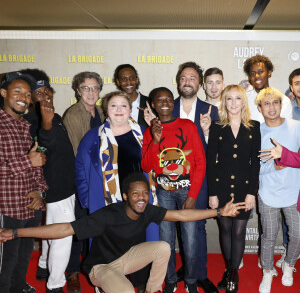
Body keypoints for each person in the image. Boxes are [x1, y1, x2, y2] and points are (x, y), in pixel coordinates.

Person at [0, 173, 246, 293]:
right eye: (136, 194)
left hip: (125, 261)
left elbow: (182, 215)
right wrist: (16, 233)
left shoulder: (148, 210)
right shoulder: (109, 215)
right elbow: (64, 228)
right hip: (101, 268)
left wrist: (219, 213)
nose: (142, 198)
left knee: (162, 246)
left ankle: (152, 291)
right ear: (126, 196)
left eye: (145, 194)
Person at [75, 91, 158, 292]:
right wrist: (86, 198)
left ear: (130, 109)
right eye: (114, 106)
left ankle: (141, 284)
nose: (119, 110)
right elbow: (80, 167)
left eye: (123, 106)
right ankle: (107, 282)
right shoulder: (93, 136)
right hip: (107, 201)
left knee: (142, 240)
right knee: (109, 242)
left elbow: (154, 160)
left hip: (139, 201)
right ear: (106, 109)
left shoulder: (143, 131)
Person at [142, 87, 206, 293]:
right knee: (166, 241)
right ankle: (170, 279)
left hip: (187, 190)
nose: (165, 103)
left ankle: (191, 280)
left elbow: (200, 162)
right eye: (159, 100)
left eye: (169, 99)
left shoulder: (187, 126)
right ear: (153, 104)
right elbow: (146, 166)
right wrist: (156, 141)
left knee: (190, 240)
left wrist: (193, 195)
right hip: (163, 193)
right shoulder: (149, 131)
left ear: (173, 102)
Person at [22, 69, 76, 293]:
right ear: (28, 96)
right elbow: (41, 146)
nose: (45, 96)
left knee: (50, 228)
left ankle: (44, 265)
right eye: (38, 93)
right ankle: (55, 284)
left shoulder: (52, 115)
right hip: (55, 188)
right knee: (62, 234)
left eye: (47, 91)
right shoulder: (31, 121)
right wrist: (46, 124)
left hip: (63, 184)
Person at [206, 85, 261, 292]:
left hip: (243, 187)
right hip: (220, 187)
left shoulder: (254, 127)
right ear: (224, 102)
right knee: (225, 229)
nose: (233, 103)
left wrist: (251, 193)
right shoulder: (217, 127)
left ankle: (233, 273)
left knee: (238, 232)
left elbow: (255, 163)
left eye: (238, 98)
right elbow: (211, 162)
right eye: (229, 99)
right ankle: (229, 270)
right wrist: (212, 193)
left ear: (243, 102)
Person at [0, 71, 48, 293]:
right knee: (5, 262)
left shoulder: (25, 126)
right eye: (17, 91)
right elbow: (30, 161)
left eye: (28, 94)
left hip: (30, 208)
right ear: (3, 93)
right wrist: (28, 161)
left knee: (23, 257)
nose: (24, 97)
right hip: (6, 209)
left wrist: (39, 191)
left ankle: (18, 288)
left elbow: (37, 164)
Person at [173, 61, 219, 293]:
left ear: (199, 83)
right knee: (174, 227)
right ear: (178, 81)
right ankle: (180, 270)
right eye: (183, 78)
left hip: (199, 178)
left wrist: (208, 132)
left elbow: (217, 151)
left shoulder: (212, 111)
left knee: (197, 226)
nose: (187, 82)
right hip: (170, 180)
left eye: (192, 78)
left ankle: (199, 274)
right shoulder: (166, 108)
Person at [63, 71, 105, 292]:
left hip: (102, 179)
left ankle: (95, 269)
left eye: (94, 88)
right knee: (80, 227)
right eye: (86, 88)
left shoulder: (101, 111)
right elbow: (78, 152)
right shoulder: (72, 114)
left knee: (98, 226)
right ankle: (73, 272)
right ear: (78, 91)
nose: (90, 92)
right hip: (82, 179)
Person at [255, 87, 300, 293]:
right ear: (260, 108)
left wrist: (286, 156)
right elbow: (252, 166)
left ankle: (289, 265)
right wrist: (274, 165)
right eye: (266, 104)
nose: (271, 108)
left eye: (275, 103)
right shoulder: (257, 131)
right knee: (269, 237)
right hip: (268, 193)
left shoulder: (296, 127)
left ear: (282, 105)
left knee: (298, 235)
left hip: (294, 192)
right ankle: (267, 271)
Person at [243, 55, 293, 123]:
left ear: (269, 73)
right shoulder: (244, 100)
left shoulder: (284, 101)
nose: (256, 76)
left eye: (260, 72)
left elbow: (286, 129)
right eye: (253, 73)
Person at [113, 64, 148, 128]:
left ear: (137, 80)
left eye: (131, 78)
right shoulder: (112, 105)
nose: (128, 82)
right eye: (124, 79)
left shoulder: (150, 104)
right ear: (118, 82)